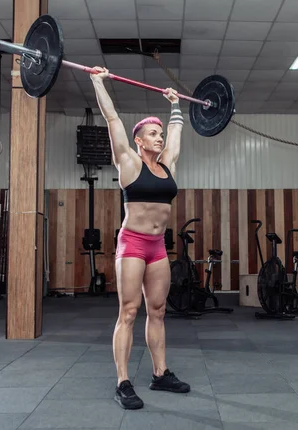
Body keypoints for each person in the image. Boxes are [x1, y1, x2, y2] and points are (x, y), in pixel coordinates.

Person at [90, 66, 190, 410]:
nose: (159, 137)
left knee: (158, 311)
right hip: (132, 244)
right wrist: (97, 82)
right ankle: (123, 381)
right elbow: (112, 119)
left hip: (158, 246)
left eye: (159, 133)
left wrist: (175, 105)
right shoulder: (129, 164)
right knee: (129, 311)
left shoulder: (168, 165)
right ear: (139, 140)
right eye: (152, 133)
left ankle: (160, 373)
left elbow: (176, 133)